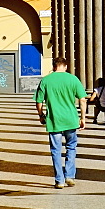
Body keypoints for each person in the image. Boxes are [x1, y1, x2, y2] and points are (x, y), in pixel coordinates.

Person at [35, 57, 87, 189]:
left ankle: (59, 180)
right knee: (71, 147)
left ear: (54, 67)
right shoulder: (73, 79)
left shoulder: (46, 80)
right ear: (65, 66)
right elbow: (82, 100)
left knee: (56, 151)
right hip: (71, 120)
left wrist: (41, 115)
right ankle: (69, 175)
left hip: (54, 121)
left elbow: (39, 102)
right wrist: (83, 118)